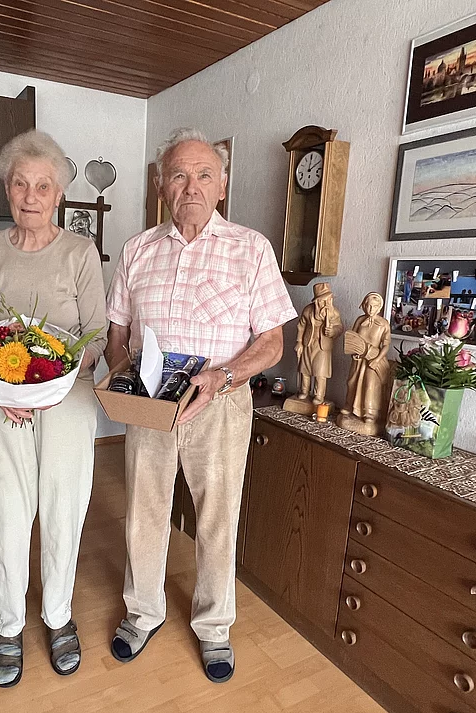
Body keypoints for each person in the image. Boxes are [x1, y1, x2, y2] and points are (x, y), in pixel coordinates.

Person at [104, 128, 296, 684]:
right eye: (179, 175)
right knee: (144, 510)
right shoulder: (137, 250)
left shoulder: (251, 248)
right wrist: (123, 376)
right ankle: (143, 612)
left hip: (221, 403)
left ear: (222, 185)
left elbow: (272, 343)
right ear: (161, 185)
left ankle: (214, 627)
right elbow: (118, 333)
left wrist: (222, 376)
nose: (191, 186)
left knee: (217, 517)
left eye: (204, 175)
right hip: (151, 403)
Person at [0, 129, 107, 688]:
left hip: (66, 401)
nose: (31, 195)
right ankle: (10, 625)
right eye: (21, 184)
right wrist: (3, 390)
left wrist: (50, 383)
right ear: (7, 189)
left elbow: (96, 335)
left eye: (44, 186)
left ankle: (59, 616)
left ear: (59, 194)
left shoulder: (80, 253)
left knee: (64, 512)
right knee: (9, 517)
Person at [340, 292, 391, 424]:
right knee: (352, 382)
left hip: (373, 359)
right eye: (368, 305)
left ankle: (370, 412)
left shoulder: (384, 324)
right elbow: (352, 338)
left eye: (374, 306)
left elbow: (386, 345)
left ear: (379, 307)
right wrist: (354, 353)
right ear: (364, 306)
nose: (371, 309)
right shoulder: (359, 320)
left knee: (370, 384)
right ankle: (349, 406)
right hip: (359, 359)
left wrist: (377, 360)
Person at [294, 282, 343, 404]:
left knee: (320, 372)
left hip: (323, 346)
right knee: (305, 369)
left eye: (328, 300)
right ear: (316, 301)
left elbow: (339, 327)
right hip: (308, 343)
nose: (325, 303)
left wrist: (333, 331)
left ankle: (319, 395)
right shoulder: (308, 310)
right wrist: (299, 342)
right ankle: (304, 391)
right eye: (322, 300)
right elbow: (301, 326)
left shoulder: (334, 313)